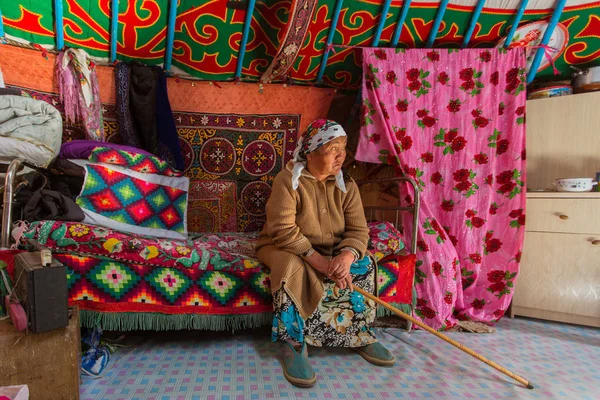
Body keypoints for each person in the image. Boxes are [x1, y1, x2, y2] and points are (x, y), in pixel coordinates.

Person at [256, 119, 395, 388]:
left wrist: (346, 257)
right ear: (311, 152)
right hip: (286, 247)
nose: (341, 155)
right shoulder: (288, 181)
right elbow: (283, 230)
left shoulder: (347, 185)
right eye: (333, 148)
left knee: (363, 265)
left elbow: (358, 230)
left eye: (343, 147)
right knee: (289, 267)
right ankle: (293, 342)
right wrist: (318, 261)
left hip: (332, 252)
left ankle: (358, 334)